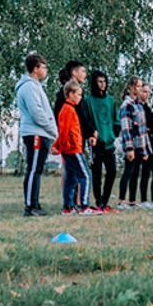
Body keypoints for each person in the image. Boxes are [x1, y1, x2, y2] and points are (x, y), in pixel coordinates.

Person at [15, 52, 58, 216]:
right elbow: (37, 112)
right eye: (44, 67)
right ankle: (30, 206)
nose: (46, 70)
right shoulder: (29, 87)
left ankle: (35, 203)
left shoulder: (36, 86)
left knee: (37, 169)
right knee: (33, 169)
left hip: (41, 133)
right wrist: (52, 130)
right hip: (36, 134)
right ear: (35, 68)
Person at [54, 79, 91, 214]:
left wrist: (59, 147)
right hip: (73, 149)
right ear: (70, 94)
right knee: (86, 175)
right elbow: (64, 131)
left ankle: (68, 207)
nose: (80, 98)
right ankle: (84, 206)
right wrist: (59, 146)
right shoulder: (68, 110)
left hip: (69, 149)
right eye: (78, 94)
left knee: (71, 178)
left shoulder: (68, 109)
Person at [117, 75, 152, 207]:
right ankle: (121, 200)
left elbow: (142, 128)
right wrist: (129, 148)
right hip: (131, 144)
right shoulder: (127, 105)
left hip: (140, 145)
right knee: (128, 171)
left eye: (141, 86)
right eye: (138, 86)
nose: (140, 88)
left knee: (135, 173)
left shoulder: (138, 105)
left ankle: (132, 200)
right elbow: (126, 128)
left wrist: (145, 149)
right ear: (131, 88)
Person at [87, 70, 119, 210]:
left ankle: (105, 200)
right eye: (99, 81)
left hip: (109, 142)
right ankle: (98, 200)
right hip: (96, 142)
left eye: (104, 81)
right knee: (97, 174)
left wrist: (114, 132)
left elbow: (115, 118)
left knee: (112, 171)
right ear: (94, 83)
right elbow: (87, 119)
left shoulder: (110, 100)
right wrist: (92, 135)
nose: (102, 84)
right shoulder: (88, 101)